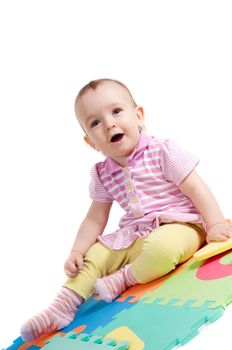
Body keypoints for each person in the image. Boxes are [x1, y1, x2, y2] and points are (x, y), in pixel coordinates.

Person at [20, 78, 232, 341]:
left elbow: (196, 188)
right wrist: (77, 251)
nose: (109, 123)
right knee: (94, 256)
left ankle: (125, 278)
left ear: (139, 116)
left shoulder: (161, 150)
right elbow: (95, 218)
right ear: (91, 141)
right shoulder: (102, 173)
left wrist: (215, 225)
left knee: (161, 250)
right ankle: (61, 306)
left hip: (182, 225)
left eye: (116, 111)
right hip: (136, 232)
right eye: (95, 122)